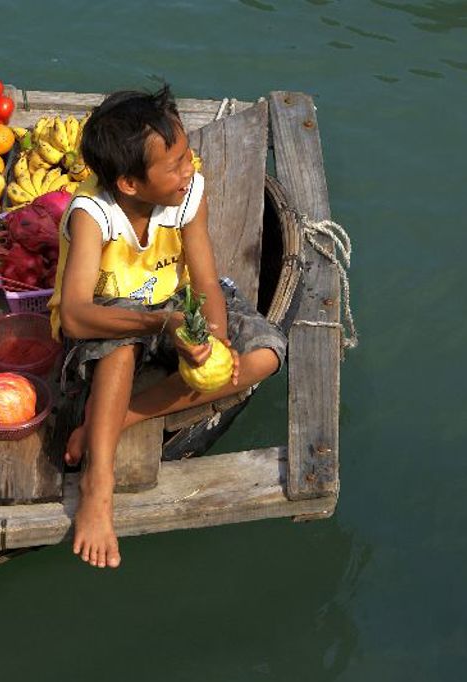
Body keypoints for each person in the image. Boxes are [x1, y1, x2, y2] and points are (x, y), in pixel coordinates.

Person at [49, 85, 288, 569]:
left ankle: (118, 417)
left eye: (187, 156)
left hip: (174, 303)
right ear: (130, 184)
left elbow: (203, 280)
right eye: (175, 164)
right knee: (117, 352)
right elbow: (75, 313)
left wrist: (212, 338)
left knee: (267, 354)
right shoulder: (93, 215)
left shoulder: (188, 194)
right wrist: (162, 325)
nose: (189, 170)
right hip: (111, 313)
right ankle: (98, 486)